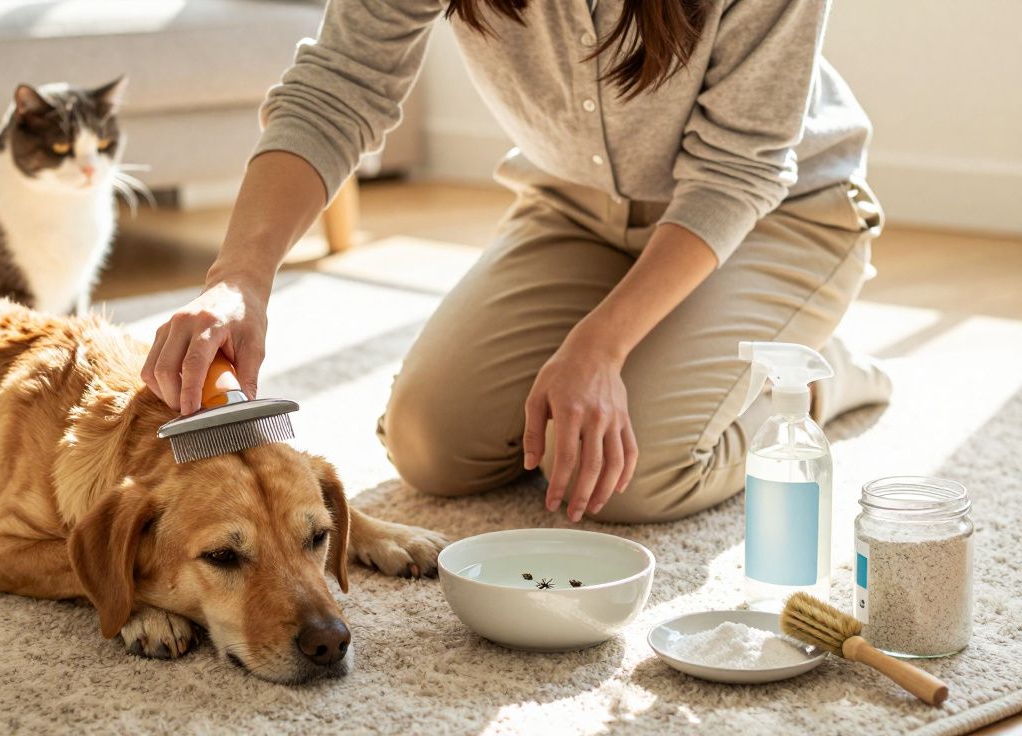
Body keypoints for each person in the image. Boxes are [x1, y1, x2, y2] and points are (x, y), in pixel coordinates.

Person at [140, 0, 891, 523]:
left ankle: (812, 380)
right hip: (578, 208)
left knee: (641, 477)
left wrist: (599, 347)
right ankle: (669, 354)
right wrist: (241, 275)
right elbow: (342, 84)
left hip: (775, 217)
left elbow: (740, 168)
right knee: (431, 446)